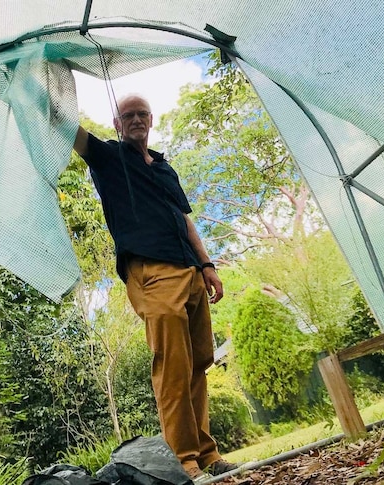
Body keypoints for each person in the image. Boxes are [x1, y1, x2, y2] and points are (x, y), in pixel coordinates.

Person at [73, 94, 237, 482]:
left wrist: (208, 266)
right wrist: (42, 86)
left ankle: (208, 454)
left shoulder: (165, 168)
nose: (135, 120)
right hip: (152, 271)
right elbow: (71, 132)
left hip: (191, 270)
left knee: (199, 361)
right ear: (116, 124)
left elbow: (185, 220)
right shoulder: (109, 158)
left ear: (151, 119)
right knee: (173, 363)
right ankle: (183, 460)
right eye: (127, 115)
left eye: (141, 114)